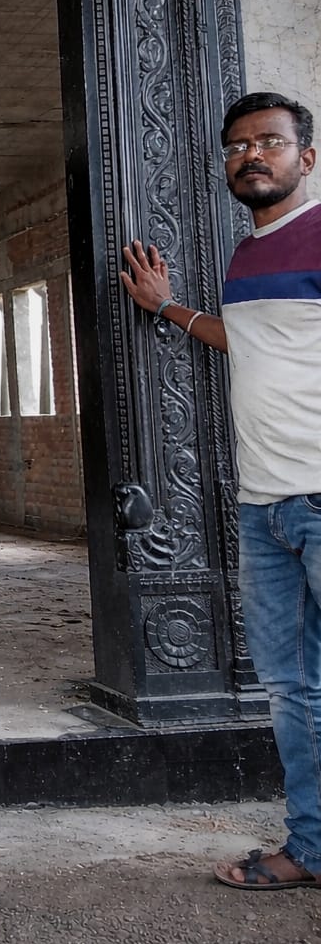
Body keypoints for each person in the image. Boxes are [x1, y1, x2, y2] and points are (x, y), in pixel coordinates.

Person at [121, 91, 321, 890]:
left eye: (269, 142)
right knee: (291, 690)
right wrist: (167, 306)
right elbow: (248, 340)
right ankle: (311, 850)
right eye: (238, 146)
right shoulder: (247, 254)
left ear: (306, 157)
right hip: (266, 505)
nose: (251, 155)